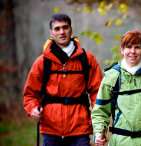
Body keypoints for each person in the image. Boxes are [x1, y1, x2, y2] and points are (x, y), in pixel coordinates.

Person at [23, 13, 103, 146]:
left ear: (71, 29)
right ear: (51, 33)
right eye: (57, 28)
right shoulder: (42, 62)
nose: (62, 32)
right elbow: (31, 94)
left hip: (80, 129)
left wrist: (99, 122)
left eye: (65, 27)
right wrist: (33, 110)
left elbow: (98, 94)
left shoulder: (87, 59)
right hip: (50, 130)